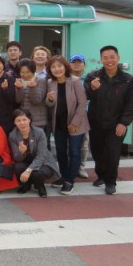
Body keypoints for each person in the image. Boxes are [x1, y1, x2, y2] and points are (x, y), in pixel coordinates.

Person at [84, 45, 133, 195]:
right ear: (101, 60)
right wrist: (92, 89)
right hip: (95, 122)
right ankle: (101, 175)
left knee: (113, 153)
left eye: (112, 57)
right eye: (105, 58)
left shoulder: (128, 80)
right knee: (97, 151)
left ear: (118, 58)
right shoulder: (93, 76)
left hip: (116, 123)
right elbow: (84, 96)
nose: (109, 61)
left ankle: (110, 181)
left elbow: (131, 104)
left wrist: (124, 123)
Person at [45, 55, 90, 195]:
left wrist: (75, 122)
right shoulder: (50, 82)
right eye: (53, 67)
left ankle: (70, 181)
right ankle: (64, 176)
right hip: (59, 123)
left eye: (59, 66)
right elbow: (49, 105)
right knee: (60, 151)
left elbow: (82, 103)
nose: (57, 69)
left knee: (74, 152)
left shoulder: (75, 81)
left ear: (65, 67)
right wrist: (49, 99)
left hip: (76, 123)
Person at [8, 109, 60, 198]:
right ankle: (26, 184)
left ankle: (40, 186)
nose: (22, 123)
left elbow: (41, 156)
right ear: (14, 122)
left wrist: (28, 170)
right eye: (18, 120)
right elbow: (17, 158)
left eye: (24, 119)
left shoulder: (39, 132)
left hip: (43, 162)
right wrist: (21, 152)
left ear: (29, 120)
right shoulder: (13, 135)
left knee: (37, 173)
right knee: (17, 167)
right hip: (26, 161)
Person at [14, 59, 48, 134]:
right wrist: (19, 89)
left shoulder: (40, 80)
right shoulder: (19, 81)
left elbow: (36, 100)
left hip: (38, 120)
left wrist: (33, 88)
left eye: (28, 72)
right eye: (22, 72)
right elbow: (18, 100)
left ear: (33, 70)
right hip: (24, 120)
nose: (25, 75)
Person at [69, 53, 89, 178]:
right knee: (70, 144)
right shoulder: (66, 79)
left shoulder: (89, 79)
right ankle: (71, 167)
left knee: (84, 144)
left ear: (84, 65)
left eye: (79, 62)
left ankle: (81, 167)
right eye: (73, 62)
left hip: (85, 115)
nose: (76, 64)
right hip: (70, 115)